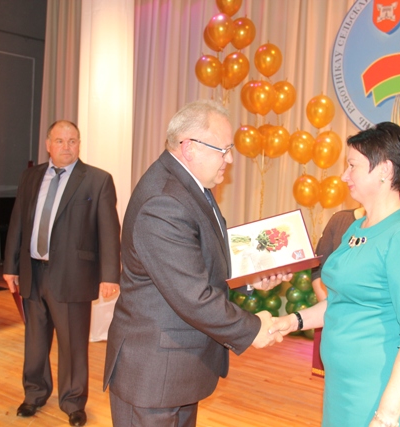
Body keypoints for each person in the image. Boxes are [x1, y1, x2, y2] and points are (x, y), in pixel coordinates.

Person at [103, 100, 289, 427]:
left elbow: (201, 257)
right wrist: (253, 329)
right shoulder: (164, 201)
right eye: (224, 150)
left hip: (177, 370)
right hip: (154, 376)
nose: (230, 159)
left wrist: (248, 277)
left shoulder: (189, 185)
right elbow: (193, 296)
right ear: (189, 147)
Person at [273, 122, 400, 427]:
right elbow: (341, 302)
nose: (344, 176)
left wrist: (385, 417)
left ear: (385, 170)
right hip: (340, 388)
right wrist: (292, 321)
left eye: (352, 166)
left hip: (376, 393)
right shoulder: (356, 228)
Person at [3, 120, 121, 427]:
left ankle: (73, 401)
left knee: (72, 346)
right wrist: (10, 267)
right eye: (59, 140)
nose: (66, 146)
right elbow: (17, 223)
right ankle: (34, 394)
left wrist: (110, 274)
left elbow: (109, 230)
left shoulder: (97, 180)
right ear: (48, 144)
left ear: (79, 144)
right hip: (32, 272)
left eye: (72, 141)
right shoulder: (30, 177)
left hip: (73, 276)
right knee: (34, 341)